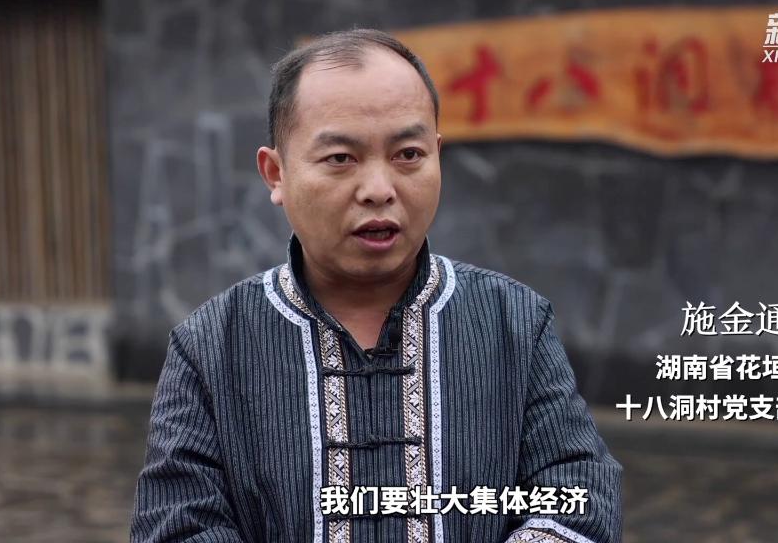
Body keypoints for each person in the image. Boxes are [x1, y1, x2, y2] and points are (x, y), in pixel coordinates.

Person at [131, 28, 622, 543]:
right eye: (340, 158)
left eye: (408, 154)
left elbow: (579, 500)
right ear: (276, 173)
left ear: (437, 155)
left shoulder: (514, 322)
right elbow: (178, 526)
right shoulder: (210, 347)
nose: (378, 190)